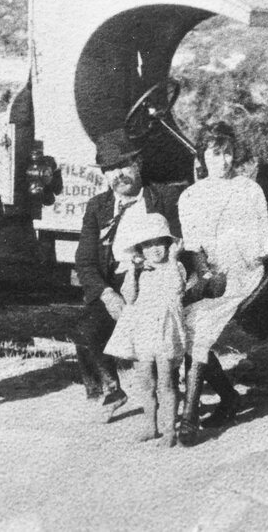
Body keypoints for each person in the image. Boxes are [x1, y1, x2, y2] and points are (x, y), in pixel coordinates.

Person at [74, 128, 182, 421]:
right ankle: (110, 390)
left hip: (156, 281)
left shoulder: (164, 198)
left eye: (123, 165)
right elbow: (84, 261)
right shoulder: (98, 207)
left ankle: (175, 395)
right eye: (110, 169)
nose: (118, 174)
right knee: (86, 328)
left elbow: (180, 245)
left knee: (167, 332)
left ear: (138, 164)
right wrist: (107, 294)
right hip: (116, 285)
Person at [176, 122, 268, 446]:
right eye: (216, 153)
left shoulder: (249, 190)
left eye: (228, 152)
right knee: (182, 319)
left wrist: (229, 267)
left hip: (244, 272)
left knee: (198, 323)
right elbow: (194, 249)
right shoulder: (190, 196)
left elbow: (261, 248)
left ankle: (189, 416)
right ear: (202, 157)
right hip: (210, 275)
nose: (224, 160)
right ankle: (228, 397)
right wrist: (205, 275)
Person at [104, 213, 186, 447]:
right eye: (148, 244)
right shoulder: (140, 270)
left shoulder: (175, 266)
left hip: (164, 330)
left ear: (169, 244)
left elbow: (177, 290)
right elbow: (129, 298)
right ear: (140, 248)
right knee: (146, 381)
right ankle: (151, 425)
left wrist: (173, 259)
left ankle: (169, 430)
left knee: (166, 383)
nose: (155, 249)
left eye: (160, 242)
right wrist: (133, 270)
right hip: (143, 330)